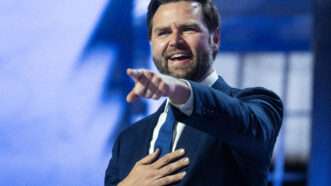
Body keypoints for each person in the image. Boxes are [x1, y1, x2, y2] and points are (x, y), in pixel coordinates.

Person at [105, 0, 283, 185]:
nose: (175, 41)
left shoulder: (257, 105)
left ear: (215, 39)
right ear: (151, 43)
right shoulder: (127, 141)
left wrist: (179, 89)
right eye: (164, 33)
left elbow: (247, 125)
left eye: (188, 29)